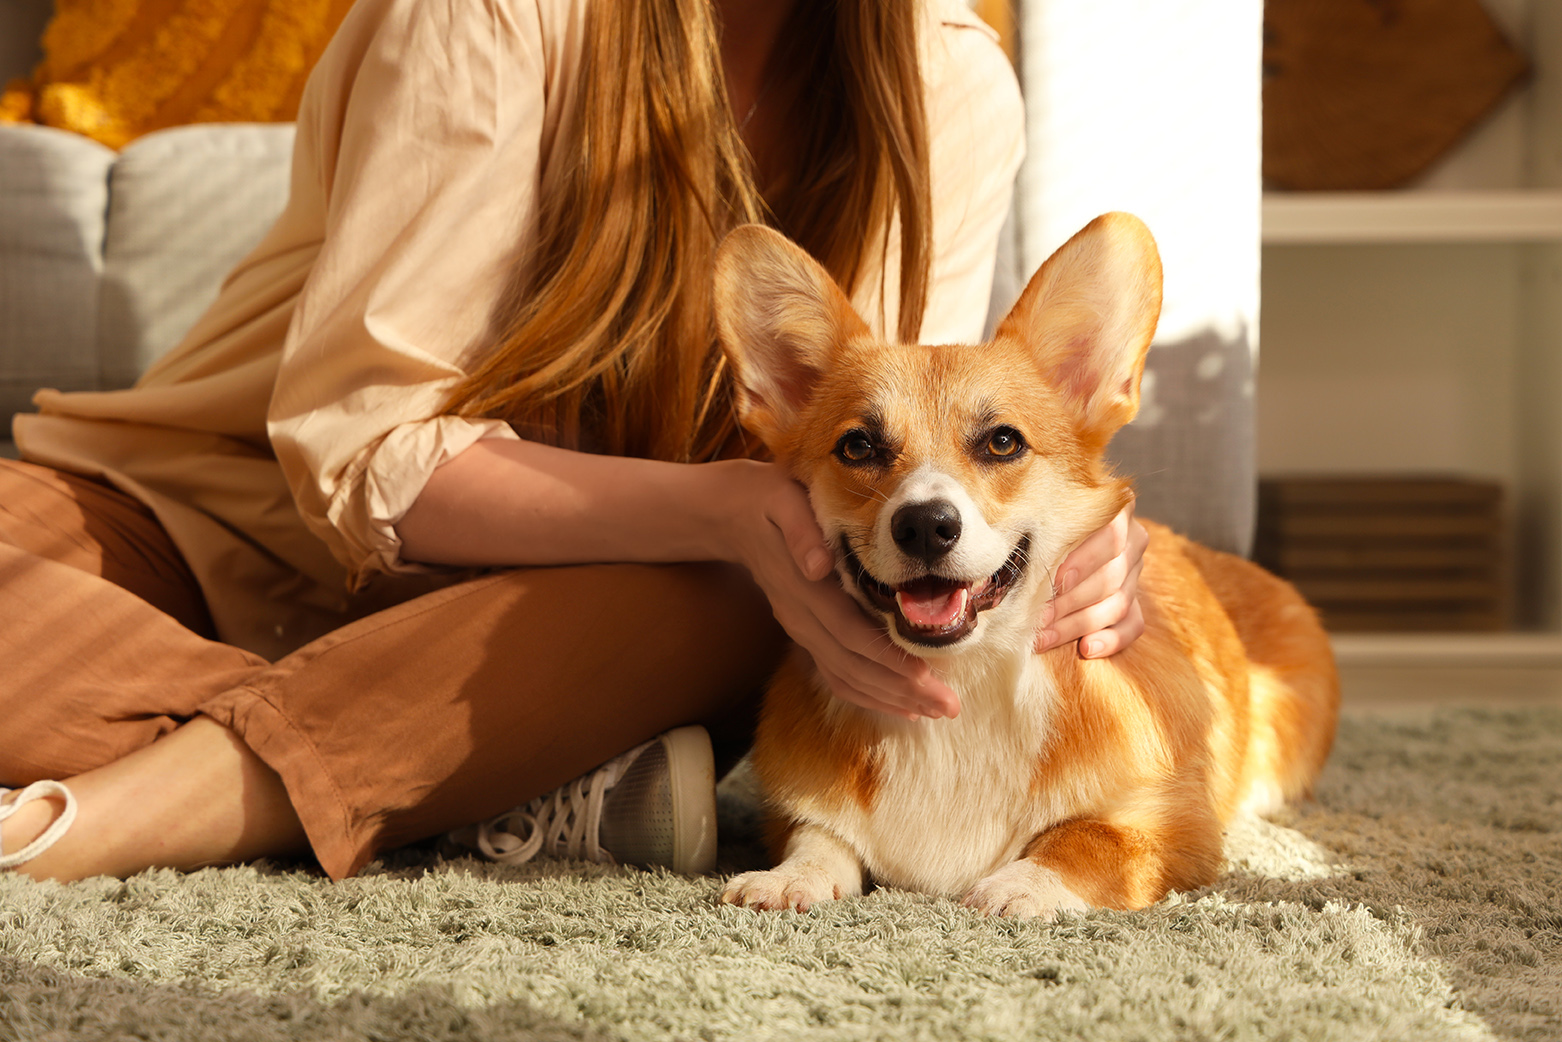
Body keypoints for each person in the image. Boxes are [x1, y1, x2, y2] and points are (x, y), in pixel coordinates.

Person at [0, 0, 1147, 883]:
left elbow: (905, 461)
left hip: (620, 609)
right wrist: (711, 505)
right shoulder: (491, 16)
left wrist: (1066, 544)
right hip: (184, 525)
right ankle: (493, 777)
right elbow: (362, 452)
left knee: (777, 571)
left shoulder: (948, 77)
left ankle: (78, 830)